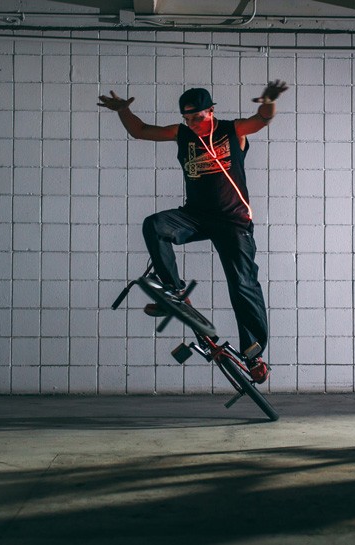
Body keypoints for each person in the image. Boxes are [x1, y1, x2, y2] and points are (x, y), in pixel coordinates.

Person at [97, 81, 289, 383]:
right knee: (155, 225)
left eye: (197, 118)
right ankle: (173, 290)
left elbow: (262, 119)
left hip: (233, 221)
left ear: (210, 111)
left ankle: (254, 354)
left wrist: (269, 102)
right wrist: (123, 111)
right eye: (187, 119)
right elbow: (140, 131)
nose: (193, 124)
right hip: (196, 216)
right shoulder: (182, 133)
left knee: (243, 284)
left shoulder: (233, 130)